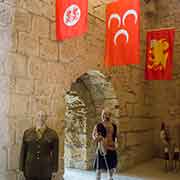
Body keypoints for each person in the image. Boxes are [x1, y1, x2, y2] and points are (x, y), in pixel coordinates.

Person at [19, 110, 59, 180]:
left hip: (46, 169)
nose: (40, 118)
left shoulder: (53, 134)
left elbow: (55, 154)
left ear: (46, 118)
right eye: (39, 115)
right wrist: (21, 168)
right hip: (30, 168)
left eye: (43, 116)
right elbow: (23, 151)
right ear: (36, 117)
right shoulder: (27, 132)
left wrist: (54, 170)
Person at [92, 109, 118, 180]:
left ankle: (110, 177)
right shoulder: (98, 125)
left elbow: (115, 136)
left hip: (112, 147)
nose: (105, 116)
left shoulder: (114, 126)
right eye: (103, 114)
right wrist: (97, 137)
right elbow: (93, 135)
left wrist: (116, 143)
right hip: (102, 148)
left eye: (107, 114)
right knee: (99, 167)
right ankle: (98, 178)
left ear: (110, 115)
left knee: (112, 166)